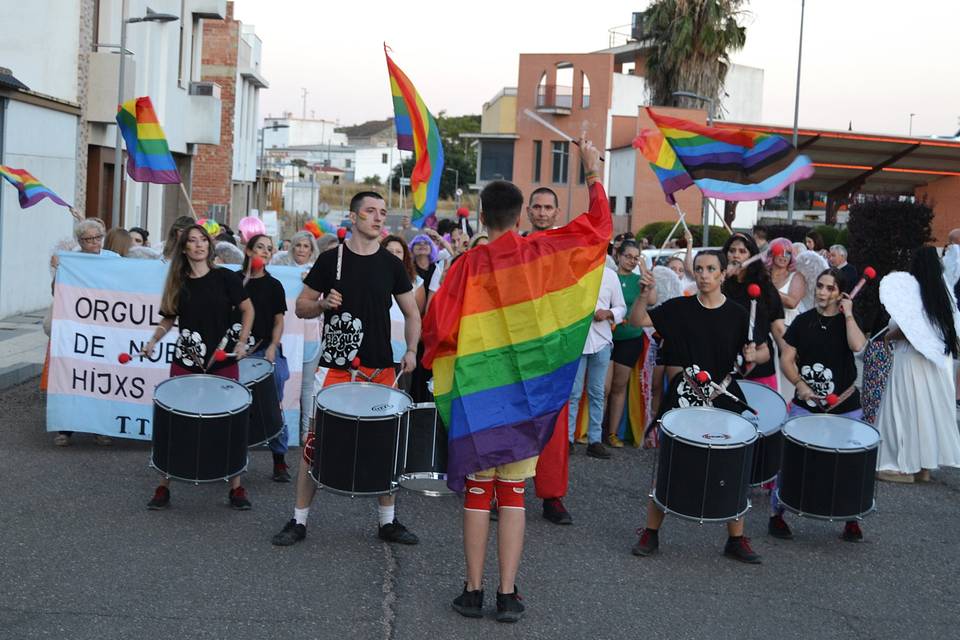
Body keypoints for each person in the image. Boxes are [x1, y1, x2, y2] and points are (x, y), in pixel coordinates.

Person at [423, 139, 608, 623]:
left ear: (482, 217)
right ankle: (507, 594)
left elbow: (436, 330)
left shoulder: (465, 268)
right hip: (525, 400)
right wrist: (592, 172)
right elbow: (597, 230)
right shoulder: (540, 255)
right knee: (514, 498)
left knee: (478, 496)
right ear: (523, 213)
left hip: (477, 399)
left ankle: (471, 590)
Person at [271, 191, 421, 547]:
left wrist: (413, 349)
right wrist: (322, 303)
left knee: (383, 446)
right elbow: (302, 306)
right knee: (315, 444)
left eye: (383, 212)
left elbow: (413, 313)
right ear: (353, 217)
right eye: (370, 211)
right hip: (335, 369)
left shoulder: (391, 265)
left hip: (380, 368)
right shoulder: (330, 260)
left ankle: (388, 521)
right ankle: (298, 520)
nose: (378, 217)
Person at [628, 249, 768, 563]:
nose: (704, 274)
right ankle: (651, 532)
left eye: (710, 269)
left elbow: (764, 354)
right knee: (670, 465)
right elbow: (637, 320)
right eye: (699, 269)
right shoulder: (680, 308)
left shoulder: (738, 314)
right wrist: (642, 295)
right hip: (684, 397)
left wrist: (752, 356)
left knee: (731, 468)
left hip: (723, 396)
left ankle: (736, 539)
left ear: (722, 275)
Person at [142, 225, 254, 510]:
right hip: (187, 360)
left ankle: (236, 489)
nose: (199, 245)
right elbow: (169, 318)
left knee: (229, 424)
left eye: (203, 240)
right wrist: (153, 340)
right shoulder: (178, 283)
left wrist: (241, 342)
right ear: (184, 249)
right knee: (176, 423)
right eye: (192, 241)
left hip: (223, 360)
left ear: (210, 245)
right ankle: (163, 486)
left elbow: (248, 309)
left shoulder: (226, 277)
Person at [774, 268, 868, 541]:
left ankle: (851, 518)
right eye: (820, 286)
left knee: (849, 463)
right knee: (793, 459)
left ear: (840, 293)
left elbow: (859, 345)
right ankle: (777, 514)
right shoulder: (803, 322)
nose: (822, 292)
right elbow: (787, 359)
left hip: (846, 404)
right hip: (807, 405)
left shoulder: (847, 321)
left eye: (830, 288)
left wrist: (848, 313)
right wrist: (800, 385)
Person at [875, 247, 960, 483]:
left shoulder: (912, 292)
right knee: (925, 411)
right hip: (937, 363)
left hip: (910, 359)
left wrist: (887, 337)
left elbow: (907, 329)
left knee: (900, 410)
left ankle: (896, 465)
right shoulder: (945, 297)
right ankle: (923, 466)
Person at [50, 218, 116, 447]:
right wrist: (58, 268)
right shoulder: (70, 260)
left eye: (98, 238)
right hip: (76, 328)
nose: (95, 243)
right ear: (80, 241)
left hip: (106, 327)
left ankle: (100, 429)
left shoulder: (113, 259)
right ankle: (65, 429)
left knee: (100, 377)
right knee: (73, 376)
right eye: (88, 239)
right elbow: (55, 292)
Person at [241, 234, 292, 482]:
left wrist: (273, 346)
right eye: (259, 247)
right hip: (238, 353)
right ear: (248, 251)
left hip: (265, 351)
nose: (264, 252)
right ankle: (232, 459)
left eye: (269, 249)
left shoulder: (274, 286)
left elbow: (279, 320)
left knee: (272, 403)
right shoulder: (235, 282)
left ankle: (279, 459)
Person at [567, 262, 626, 459]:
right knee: (573, 393)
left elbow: (621, 307)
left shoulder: (610, 275)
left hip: (601, 341)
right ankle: (567, 439)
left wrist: (608, 313)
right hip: (577, 341)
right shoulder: (573, 272)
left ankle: (595, 440)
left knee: (597, 392)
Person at [606, 240, 655, 447]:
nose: (631, 261)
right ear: (618, 255)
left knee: (619, 386)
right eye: (628, 256)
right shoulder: (608, 277)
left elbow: (652, 300)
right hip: (605, 339)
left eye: (636, 258)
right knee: (603, 388)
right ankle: (593, 432)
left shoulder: (639, 280)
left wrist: (648, 280)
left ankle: (612, 433)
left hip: (631, 339)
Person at [723, 233, 785, 391]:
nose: (736, 254)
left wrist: (789, 354)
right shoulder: (719, 285)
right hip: (725, 367)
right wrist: (720, 277)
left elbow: (777, 327)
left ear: (752, 256)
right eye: (732, 250)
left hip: (760, 363)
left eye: (742, 251)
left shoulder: (765, 287)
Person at [382, 234, 427, 394]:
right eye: (390, 251)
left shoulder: (416, 282)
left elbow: (416, 316)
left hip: (401, 352)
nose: (394, 255)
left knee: (398, 400)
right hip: (378, 351)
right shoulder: (374, 277)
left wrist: (411, 350)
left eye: (398, 252)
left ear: (405, 256)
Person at [767, 237, 807, 326]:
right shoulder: (763, 275)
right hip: (764, 325)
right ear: (772, 253)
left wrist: (768, 288)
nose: (784, 255)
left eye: (788, 253)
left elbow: (792, 303)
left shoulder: (796, 276)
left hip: (787, 327)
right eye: (780, 251)